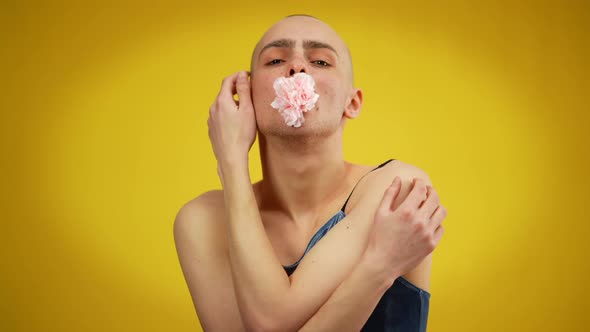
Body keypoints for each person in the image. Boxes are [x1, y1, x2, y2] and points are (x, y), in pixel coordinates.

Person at [174, 14, 447, 332]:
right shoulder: (203, 221)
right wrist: (377, 269)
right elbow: (269, 323)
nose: (297, 67)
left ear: (352, 103)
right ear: (245, 98)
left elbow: (271, 321)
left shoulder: (397, 189)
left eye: (320, 61)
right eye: (276, 59)